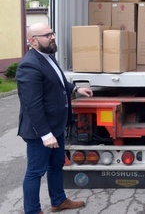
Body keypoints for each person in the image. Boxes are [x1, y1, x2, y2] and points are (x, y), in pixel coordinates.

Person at [16, 23, 93, 214]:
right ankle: (32, 211)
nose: (52, 37)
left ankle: (58, 201)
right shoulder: (28, 65)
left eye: (52, 33)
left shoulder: (48, 57)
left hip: (56, 126)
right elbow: (32, 105)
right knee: (35, 171)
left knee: (56, 164)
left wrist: (75, 89)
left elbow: (58, 81)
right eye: (47, 35)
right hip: (41, 131)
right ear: (33, 41)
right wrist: (45, 135)